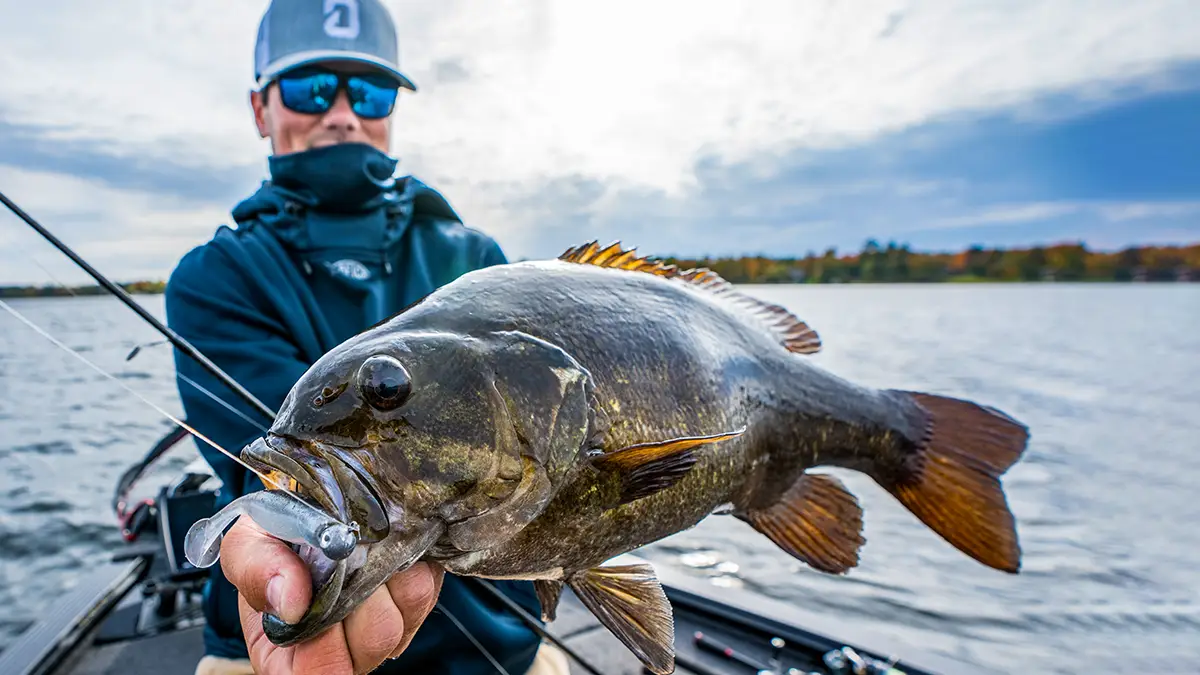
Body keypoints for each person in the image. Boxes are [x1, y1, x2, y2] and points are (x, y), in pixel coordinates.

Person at [164, 1, 566, 673]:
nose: (342, 112)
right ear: (261, 108)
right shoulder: (214, 278)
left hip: (500, 651)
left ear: (391, 110)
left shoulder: (477, 256)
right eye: (312, 87)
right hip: (274, 645)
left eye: (371, 90)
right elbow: (282, 469)